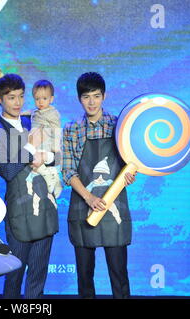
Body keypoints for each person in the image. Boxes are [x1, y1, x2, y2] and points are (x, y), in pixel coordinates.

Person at [62, 72, 136, 299]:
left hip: (113, 210)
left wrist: (130, 175)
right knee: (85, 278)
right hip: (83, 208)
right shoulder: (72, 129)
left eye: (96, 96)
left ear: (104, 96)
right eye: (86, 97)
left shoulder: (118, 126)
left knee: (119, 276)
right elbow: (68, 171)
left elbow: (131, 162)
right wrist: (89, 198)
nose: (92, 102)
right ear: (79, 99)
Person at [0, 73, 59, 299]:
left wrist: (47, 154)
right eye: (11, 98)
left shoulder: (33, 121)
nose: (17, 103)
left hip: (44, 208)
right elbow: (7, 172)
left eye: (20, 97)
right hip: (19, 212)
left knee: (38, 275)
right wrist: (29, 149)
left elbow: (56, 157)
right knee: (15, 274)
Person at [28, 79, 62, 198]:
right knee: (34, 161)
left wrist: (55, 147)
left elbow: (56, 130)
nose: (40, 102)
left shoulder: (53, 113)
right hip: (35, 139)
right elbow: (33, 113)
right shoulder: (36, 112)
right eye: (37, 99)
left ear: (51, 99)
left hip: (46, 140)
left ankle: (55, 179)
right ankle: (48, 176)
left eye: (44, 98)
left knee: (45, 161)